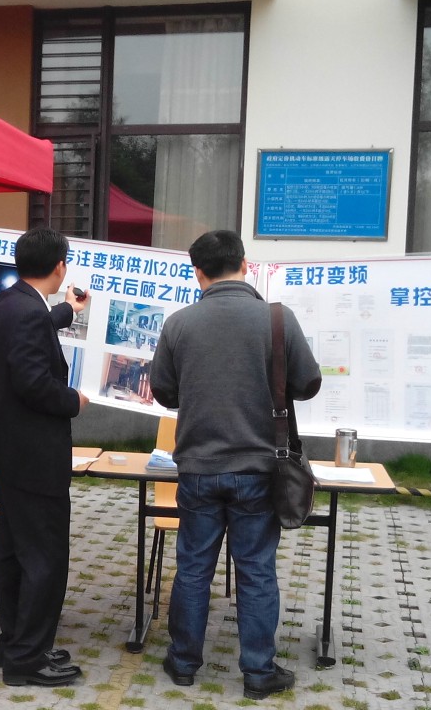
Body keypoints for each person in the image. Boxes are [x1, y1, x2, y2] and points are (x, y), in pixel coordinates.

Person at [149, 230, 321, 701]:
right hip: (260, 469)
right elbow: (308, 383)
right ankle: (258, 672)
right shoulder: (278, 319)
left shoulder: (179, 324)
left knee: (193, 568)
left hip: (198, 467)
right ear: (245, 264)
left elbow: (163, 391)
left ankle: (183, 663)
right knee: (256, 570)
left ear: (197, 272)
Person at [0, 228, 91, 688]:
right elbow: (32, 383)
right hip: (35, 456)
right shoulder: (27, 312)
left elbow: (38, 325)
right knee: (44, 557)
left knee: (14, 553)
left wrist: (67, 310)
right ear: (60, 266)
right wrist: (73, 401)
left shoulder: (8, 303)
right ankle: (28, 658)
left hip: (9, 454)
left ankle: (16, 642)